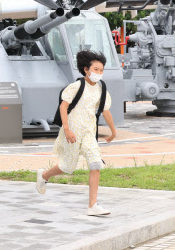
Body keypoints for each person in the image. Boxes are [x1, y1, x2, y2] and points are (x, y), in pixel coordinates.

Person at [36, 51, 117, 216]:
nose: (99, 73)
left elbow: (105, 111)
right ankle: (44, 175)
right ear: (86, 69)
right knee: (67, 167)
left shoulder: (102, 89)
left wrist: (113, 131)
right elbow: (63, 107)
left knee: (95, 163)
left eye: (101, 70)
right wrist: (66, 129)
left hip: (88, 132)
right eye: (96, 69)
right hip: (71, 131)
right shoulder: (76, 86)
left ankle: (93, 206)